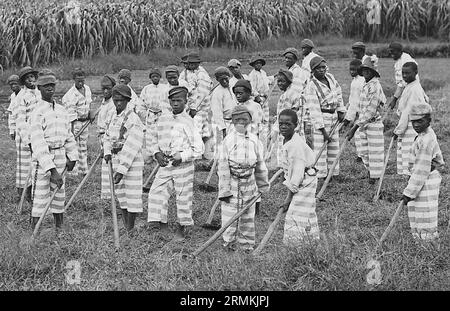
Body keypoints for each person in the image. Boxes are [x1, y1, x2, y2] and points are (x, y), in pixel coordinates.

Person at [147, 86, 204, 241]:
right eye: (173, 101)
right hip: (166, 163)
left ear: (186, 102)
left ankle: (181, 230)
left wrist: (183, 156)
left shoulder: (189, 122)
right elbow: (152, 138)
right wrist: (157, 153)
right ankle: (162, 226)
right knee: (156, 192)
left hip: (183, 166)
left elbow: (199, 148)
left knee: (182, 197)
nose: (176, 104)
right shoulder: (163, 119)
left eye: (179, 101)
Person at [29, 71, 78, 231]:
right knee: (40, 196)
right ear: (39, 88)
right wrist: (52, 170)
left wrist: (72, 157)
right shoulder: (37, 112)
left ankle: (59, 228)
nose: (49, 89)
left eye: (52, 85)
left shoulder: (62, 110)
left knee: (59, 194)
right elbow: (38, 143)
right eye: (46, 86)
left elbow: (69, 135)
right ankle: (35, 230)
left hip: (60, 155)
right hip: (43, 160)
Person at [218, 105, 269, 251]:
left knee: (248, 214)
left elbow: (260, 164)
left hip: (250, 182)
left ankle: (246, 245)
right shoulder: (228, 141)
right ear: (232, 121)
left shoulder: (255, 140)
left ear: (250, 120)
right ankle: (229, 243)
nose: (241, 122)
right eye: (237, 119)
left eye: (244, 119)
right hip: (232, 181)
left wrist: (263, 185)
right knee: (230, 215)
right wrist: (224, 190)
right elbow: (222, 167)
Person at [103, 84, 145, 233]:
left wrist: (122, 170)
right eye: (116, 100)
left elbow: (132, 145)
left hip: (131, 161)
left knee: (132, 194)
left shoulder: (133, 119)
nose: (118, 103)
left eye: (122, 100)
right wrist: (107, 151)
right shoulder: (112, 115)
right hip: (115, 157)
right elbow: (107, 136)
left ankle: (131, 227)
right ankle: (125, 224)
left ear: (128, 100)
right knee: (121, 193)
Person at [402, 103, 444, 246]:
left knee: (425, 213)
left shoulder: (427, 140)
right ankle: (420, 243)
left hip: (426, 179)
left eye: (420, 121)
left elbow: (421, 168)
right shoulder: (422, 135)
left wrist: (409, 192)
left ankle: (429, 247)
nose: (416, 125)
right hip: (419, 179)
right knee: (416, 211)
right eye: (413, 121)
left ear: (429, 121)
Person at [278, 109, 320, 245]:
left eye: (288, 124)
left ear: (295, 125)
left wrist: (288, 198)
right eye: (281, 124)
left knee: (295, 213)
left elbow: (297, 174)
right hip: (303, 177)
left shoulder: (295, 145)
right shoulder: (287, 140)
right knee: (306, 211)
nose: (283, 127)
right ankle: (311, 243)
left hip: (305, 180)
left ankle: (293, 246)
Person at [344, 57, 386, 184]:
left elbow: (370, 111)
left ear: (373, 72)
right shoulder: (365, 84)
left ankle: (375, 178)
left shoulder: (374, 86)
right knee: (364, 151)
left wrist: (354, 127)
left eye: (369, 71)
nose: (366, 72)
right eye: (364, 70)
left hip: (372, 123)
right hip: (363, 122)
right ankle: (370, 172)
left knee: (375, 152)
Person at [304, 56, 346, 179]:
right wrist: (322, 130)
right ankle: (321, 176)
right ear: (313, 71)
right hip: (321, 118)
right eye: (318, 68)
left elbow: (338, 93)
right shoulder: (311, 86)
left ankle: (332, 174)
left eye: (323, 67)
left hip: (333, 117)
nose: (322, 70)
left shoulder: (331, 78)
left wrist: (340, 110)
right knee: (320, 149)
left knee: (334, 146)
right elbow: (314, 109)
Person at [392, 62, 429, 176]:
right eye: (403, 73)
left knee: (409, 156)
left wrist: (398, 131)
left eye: (408, 73)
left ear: (416, 73)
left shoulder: (414, 89)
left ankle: (411, 185)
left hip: (411, 127)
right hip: (412, 125)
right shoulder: (412, 86)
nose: (404, 76)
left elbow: (406, 113)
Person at [62, 68, 94, 177]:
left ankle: (83, 170)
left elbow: (89, 104)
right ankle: (73, 173)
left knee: (83, 147)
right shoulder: (70, 95)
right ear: (74, 80)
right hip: (75, 123)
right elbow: (70, 116)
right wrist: (71, 133)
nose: (80, 83)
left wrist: (91, 113)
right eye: (78, 81)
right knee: (73, 147)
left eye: (82, 80)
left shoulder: (87, 89)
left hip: (85, 123)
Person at [15, 66, 41, 203]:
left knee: (37, 163)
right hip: (25, 135)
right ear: (23, 82)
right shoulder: (22, 97)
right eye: (27, 78)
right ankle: (24, 194)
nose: (30, 80)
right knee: (25, 166)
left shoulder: (39, 92)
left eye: (32, 77)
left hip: (38, 133)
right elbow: (20, 120)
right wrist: (28, 140)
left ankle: (36, 192)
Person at [179, 52, 213, 143]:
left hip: (201, 105)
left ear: (198, 63)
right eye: (189, 63)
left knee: (198, 127)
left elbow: (202, 93)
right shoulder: (185, 72)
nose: (191, 65)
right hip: (190, 103)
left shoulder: (202, 74)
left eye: (194, 63)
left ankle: (199, 150)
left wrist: (195, 108)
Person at [97, 75, 117, 200]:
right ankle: (106, 197)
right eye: (103, 88)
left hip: (109, 138)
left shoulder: (114, 104)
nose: (105, 91)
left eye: (108, 88)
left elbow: (111, 126)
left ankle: (110, 197)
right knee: (105, 167)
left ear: (113, 88)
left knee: (110, 165)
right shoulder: (104, 102)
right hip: (102, 136)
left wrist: (106, 145)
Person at [345, 59, 366, 163]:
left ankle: (363, 155)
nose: (352, 72)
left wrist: (356, 111)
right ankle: (360, 154)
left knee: (361, 134)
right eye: (350, 70)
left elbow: (360, 98)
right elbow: (352, 98)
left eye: (354, 70)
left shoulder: (362, 81)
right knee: (357, 134)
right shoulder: (354, 81)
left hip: (361, 111)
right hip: (356, 110)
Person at [387, 42, 419, 110]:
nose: (391, 54)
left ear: (399, 51)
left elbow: (402, 84)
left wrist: (394, 99)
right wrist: (394, 99)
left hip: (412, 89)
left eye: (393, 51)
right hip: (407, 89)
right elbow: (400, 84)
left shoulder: (406, 61)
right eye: (390, 52)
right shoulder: (399, 61)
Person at [210, 66, 236, 140]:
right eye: (222, 80)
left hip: (233, 121)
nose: (224, 81)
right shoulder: (217, 92)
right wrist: (223, 129)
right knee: (221, 146)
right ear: (217, 80)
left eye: (226, 79)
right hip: (223, 122)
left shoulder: (232, 88)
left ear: (229, 77)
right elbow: (217, 112)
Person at [6, 74, 21, 142]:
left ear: (20, 83)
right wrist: (12, 130)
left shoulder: (25, 94)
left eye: (15, 84)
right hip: (17, 125)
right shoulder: (13, 96)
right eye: (11, 85)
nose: (13, 86)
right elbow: (11, 114)